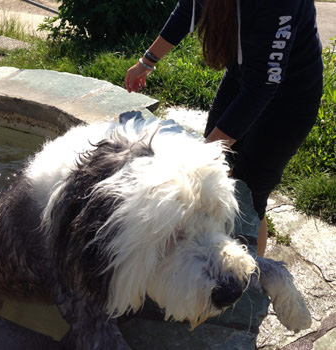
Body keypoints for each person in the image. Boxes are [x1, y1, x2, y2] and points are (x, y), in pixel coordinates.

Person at [125, 0, 323, 256]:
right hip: (244, 77)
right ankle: (213, 254)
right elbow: (189, 8)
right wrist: (147, 61)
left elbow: (261, 88)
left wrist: (196, 159)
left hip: (290, 99)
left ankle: (248, 285)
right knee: (213, 172)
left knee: (248, 197)